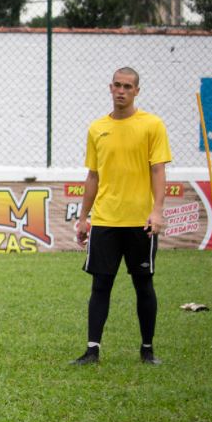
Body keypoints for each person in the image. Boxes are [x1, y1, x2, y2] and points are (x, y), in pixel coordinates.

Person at [73, 66, 171, 366]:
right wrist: (83, 217)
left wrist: (157, 210)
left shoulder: (152, 125)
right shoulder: (97, 128)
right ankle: (92, 351)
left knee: (143, 283)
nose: (122, 91)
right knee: (100, 285)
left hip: (140, 221)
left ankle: (147, 350)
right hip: (105, 221)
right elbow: (93, 176)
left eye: (128, 86)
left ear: (137, 91)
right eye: (117, 85)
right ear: (110, 87)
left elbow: (158, 170)